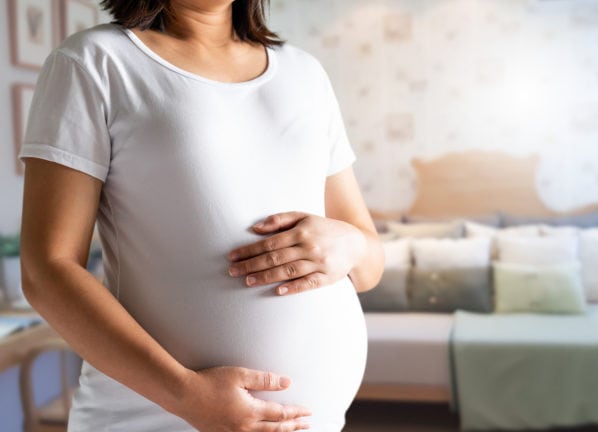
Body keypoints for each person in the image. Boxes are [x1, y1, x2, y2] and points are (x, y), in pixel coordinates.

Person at [18, 0, 384, 431]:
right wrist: (185, 394)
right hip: (156, 418)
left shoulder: (305, 74)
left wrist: (351, 244)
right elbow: (47, 269)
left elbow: (370, 266)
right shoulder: (95, 61)